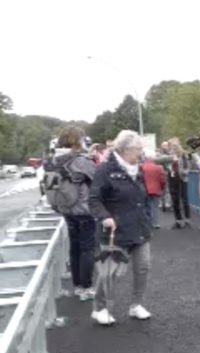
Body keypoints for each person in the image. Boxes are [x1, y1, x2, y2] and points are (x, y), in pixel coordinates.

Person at [88, 130, 153, 326]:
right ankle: (100, 308)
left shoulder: (137, 169)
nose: (141, 152)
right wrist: (105, 216)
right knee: (111, 272)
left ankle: (136, 304)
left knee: (143, 267)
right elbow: (94, 199)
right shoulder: (105, 170)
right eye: (138, 148)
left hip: (139, 228)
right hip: (116, 230)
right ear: (125, 150)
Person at [46, 126, 97, 302]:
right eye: (82, 139)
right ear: (77, 141)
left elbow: (50, 185)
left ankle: (77, 286)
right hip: (84, 210)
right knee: (87, 249)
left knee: (75, 248)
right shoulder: (82, 161)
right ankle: (87, 287)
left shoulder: (53, 160)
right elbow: (98, 181)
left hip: (66, 209)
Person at [167, 138, 191, 229]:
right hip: (172, 178)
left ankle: (187, 219)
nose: (171, 148)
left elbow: (188, 166)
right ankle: (178, 220)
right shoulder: (169, 155)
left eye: (172, 146)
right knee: (175, 200)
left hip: (182, 179)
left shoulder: (183, 154)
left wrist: (183, 172)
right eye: (170, 146)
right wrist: (168, 169)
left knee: (184, 199)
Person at [141, 149, 167, 229]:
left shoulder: (141, 167)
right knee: (154, 206)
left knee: (145, 206)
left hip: (144, 189)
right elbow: (163, 180)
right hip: (155, 189)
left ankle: (147, 222)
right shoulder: (159, 167)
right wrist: (162, 188)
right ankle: (155, 223)